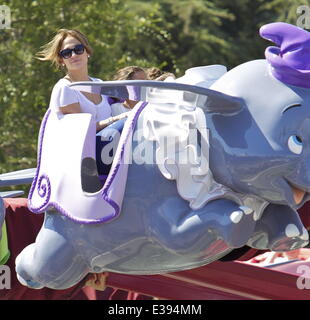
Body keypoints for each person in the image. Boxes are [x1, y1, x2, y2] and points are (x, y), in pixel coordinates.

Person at [36, 29, 126, 131]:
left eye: (78, 49)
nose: (74, 55)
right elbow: (81, 130)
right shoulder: (65, 88)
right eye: (67, 53)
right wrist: (115, 120)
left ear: (87, 51)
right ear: (61, 60)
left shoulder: (99, 84)